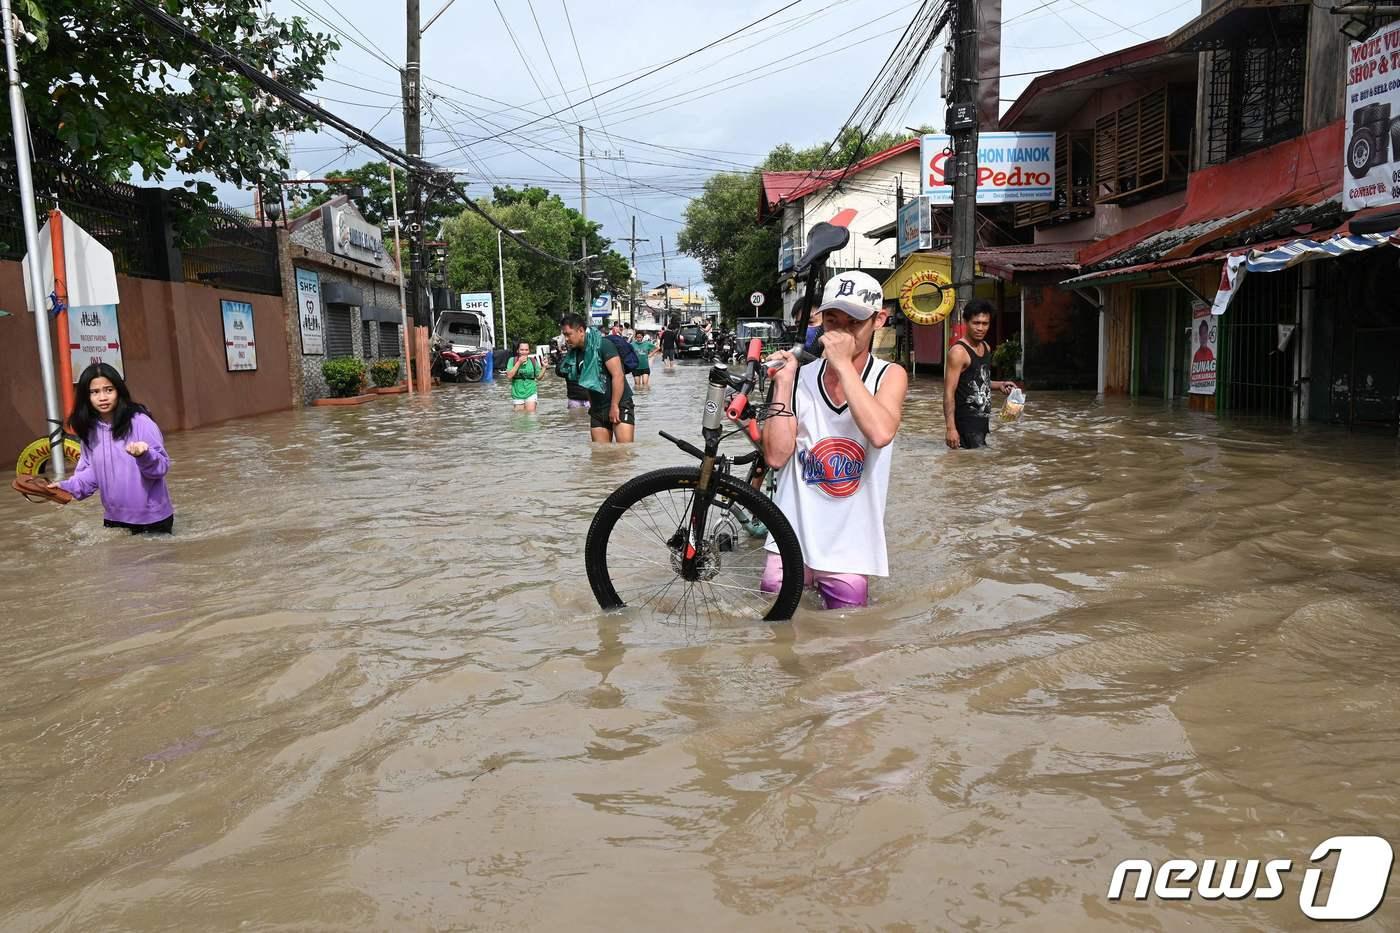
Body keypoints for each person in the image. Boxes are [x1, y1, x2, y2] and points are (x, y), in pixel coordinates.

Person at [762, 271, 908, 610]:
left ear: (878, 319)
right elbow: (775, 456)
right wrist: (783, 385)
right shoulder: (799, 377)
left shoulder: (890, 375)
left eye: (853, 321)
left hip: (850, 547)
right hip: (790, 535)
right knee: (773, 629)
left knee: (847, 642)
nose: (840, 332)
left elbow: (880, 433)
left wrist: (842, 365)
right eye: (832, 320)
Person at [49, 363, 175, 534]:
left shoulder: (140, 422)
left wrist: (144, 455)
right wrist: (64, 487)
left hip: (153, 519)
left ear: (119, 391)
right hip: (114, 519)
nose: (103, 397)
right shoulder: (89, 430)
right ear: (86, 397)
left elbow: (161, 468)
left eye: (109, 390)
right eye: (95, 392)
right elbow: (91, 474)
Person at [944, 299, 1016, 450]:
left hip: (982, 423)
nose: (980, 328)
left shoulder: (986, 347)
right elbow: (948, 393)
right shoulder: (958, 352)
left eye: (985, 324)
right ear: (966, 322)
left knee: (980, 467)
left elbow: (980, 381)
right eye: (976, 323)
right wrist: (951, 429)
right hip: (965, 425)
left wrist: (1000, 385)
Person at [558, 312, 635, 443]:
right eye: (564, 335)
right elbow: (587, 383)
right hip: (598, 409)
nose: (566, 339)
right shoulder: (575, 355)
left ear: (581, 331)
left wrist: (614, 406)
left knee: (624, 454)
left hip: (620, 405)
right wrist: (593, 407)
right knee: (600, 456)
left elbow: (618, 375)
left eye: (568, 334)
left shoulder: (603, 345)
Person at [506, 340, 543, 412]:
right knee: (519, 417)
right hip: (517, 393)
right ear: (517, 351)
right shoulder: (512, 360)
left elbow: (539, 377)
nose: (524, 352)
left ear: (529, 351)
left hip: (531, 391)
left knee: (531, 414)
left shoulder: (533, 361)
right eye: (522, 350)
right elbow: (509, 376)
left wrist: (544, 367)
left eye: (526, 350)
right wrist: (519, 362)